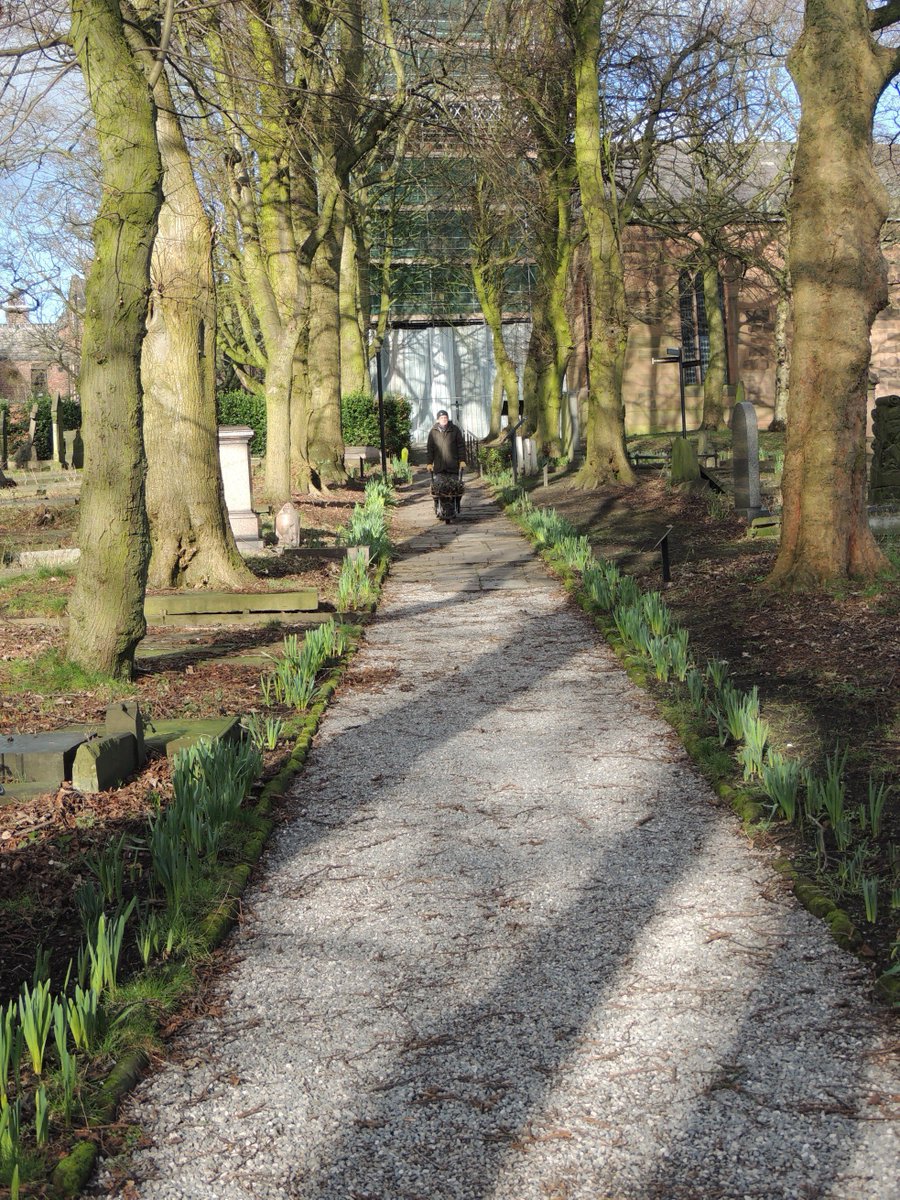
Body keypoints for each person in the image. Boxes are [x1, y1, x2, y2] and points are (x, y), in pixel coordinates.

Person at [426, 409, 466, 517]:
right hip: (439, 467)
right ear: (438, 420)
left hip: (453, 465)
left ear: (448, 419)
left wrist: (462, 460)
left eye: (445, 418)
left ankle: (455, 505)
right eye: (442, 418)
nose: (444, 419)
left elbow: (461, 446)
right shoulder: (433, 432)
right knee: (438, 488)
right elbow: (430, 449)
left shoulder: (455, 430)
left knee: (456, 488)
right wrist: (429, 463)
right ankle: (438, 505)